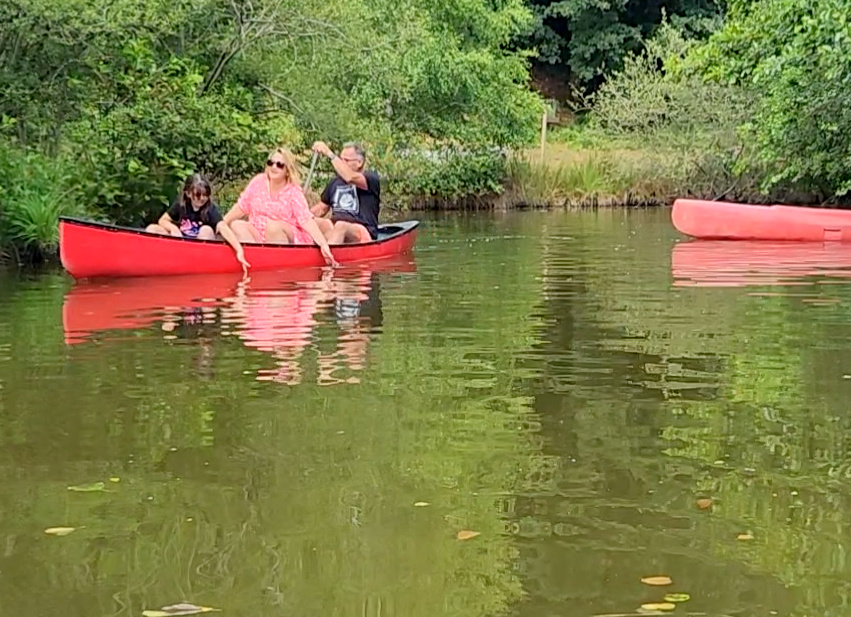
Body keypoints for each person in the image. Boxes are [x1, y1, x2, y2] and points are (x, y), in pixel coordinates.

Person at [222, 147, 338, 267]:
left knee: (273, 227)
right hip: (258, 234)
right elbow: (242, 206)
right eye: (270, 163)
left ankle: (277, 265)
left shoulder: (293, 192)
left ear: (287, 170)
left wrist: (323, 244)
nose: (274, 167)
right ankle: (253, 259)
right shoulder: (258, 181)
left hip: (285, 235)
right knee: (236, 225)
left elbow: (306, 220)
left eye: (280, 165)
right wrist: (221, 223)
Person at [146, 174, 250, 274]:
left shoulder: (210, 209)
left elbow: (223, 227)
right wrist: (173, 228)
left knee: (206, 230)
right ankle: (153, 261)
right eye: (198, 195)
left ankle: (198, 264)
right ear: (188, 194)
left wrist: (239, 250)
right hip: (182, 245)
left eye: (205, 195)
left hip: (199, 251)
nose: (202, 198)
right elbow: (163, 220)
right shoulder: (181, 205)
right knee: (152, 228)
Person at [310, 141, 380, 244]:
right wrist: (303, 216)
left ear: (360, 162)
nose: (342, 163)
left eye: (346, 160)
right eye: (341, 159)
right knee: (313, 223)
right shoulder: (335, 181)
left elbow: (349, 177)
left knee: (341, 226)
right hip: (335, 227)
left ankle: (328, 257)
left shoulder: (369, 178)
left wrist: (329, 153)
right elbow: (322, 207)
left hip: (361, 230)